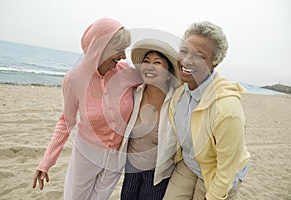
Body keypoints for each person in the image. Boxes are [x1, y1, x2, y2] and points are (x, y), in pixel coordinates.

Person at [32, 17, 142, 200]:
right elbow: (66, 122)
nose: (123, 56)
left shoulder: (126, 73)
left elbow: (161, 78)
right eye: (118, 49)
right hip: (86, 154)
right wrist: (46, 161)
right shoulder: (74, 79)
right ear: (99, 47)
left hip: (117, 157)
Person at [163, 21, 250, 200]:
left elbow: (227, 167)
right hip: (189, 163)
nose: (186, 60)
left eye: (200, 56)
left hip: (218, 171)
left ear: (214, 63)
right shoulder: (180, 92)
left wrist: (214, 196)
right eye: (184, 51)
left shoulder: (227, 108)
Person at [119, 39, 181, 199]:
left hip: (158, 173)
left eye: (157, 62)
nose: (150, 66)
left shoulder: (177, 100)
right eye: (146, 61)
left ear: (169, 74)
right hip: (131, 167)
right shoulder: (133, 93)